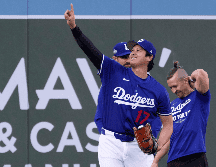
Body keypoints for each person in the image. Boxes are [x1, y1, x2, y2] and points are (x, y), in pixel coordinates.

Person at [64, 4, 173, 167]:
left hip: (139, 150)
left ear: (149, 57)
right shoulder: (113, 70)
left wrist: (157, 146)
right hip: (111, 143)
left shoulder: (158, 90)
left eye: (139, 50)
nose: (133, 52)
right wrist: (74, 27)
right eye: (133, 49)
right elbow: (90, 50)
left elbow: (168, 124)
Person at [153, 61, 210, 167]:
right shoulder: (173, 105)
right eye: (170, 88)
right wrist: (155, 160)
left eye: (175, 86)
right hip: (173, 161)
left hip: (194, 157)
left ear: (185, 80)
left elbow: (201, 73)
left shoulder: (199, 96)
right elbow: (170, 138)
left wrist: (191, 79)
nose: (173, 90)